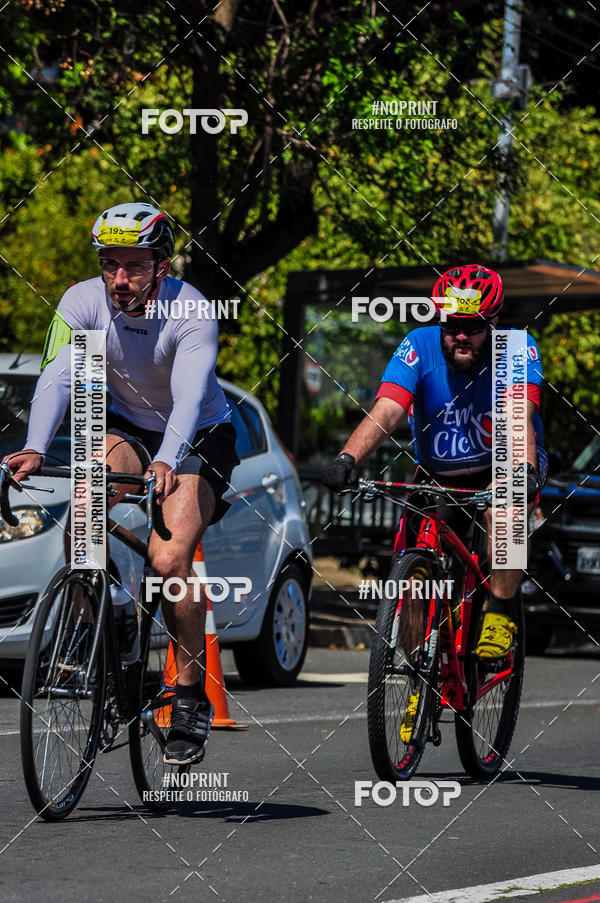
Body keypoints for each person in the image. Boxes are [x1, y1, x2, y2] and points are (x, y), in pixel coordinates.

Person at [2, 202, 239, 765]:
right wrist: (36, 446)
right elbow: (59, 375)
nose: (120, 280)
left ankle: (187, 698)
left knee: (169, 559)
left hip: (199, 434)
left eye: (134, 266)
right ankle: (110, 644)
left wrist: (168, 460)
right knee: (81, 525)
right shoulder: (82, 301)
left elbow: (186, 396)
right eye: (110, 265)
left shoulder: (191, 310)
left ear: (160, 264)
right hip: (128, 424)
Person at [321, 264, 547, 666]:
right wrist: (348, 457)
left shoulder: (515, 348)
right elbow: (387, 410)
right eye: (450, 324)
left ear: (493, 322)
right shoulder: (418, 344)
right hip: (438, 472)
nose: (460, 335)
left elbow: (519, 417)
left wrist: (524, 473)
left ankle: (498, 611)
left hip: (504, 461)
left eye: (472, 327)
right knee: (410, 573)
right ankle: (416, 676)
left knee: (505, 513)